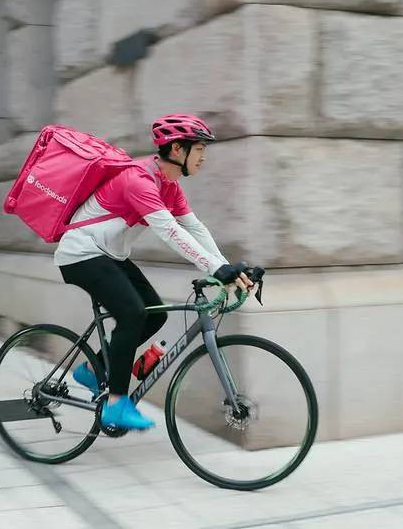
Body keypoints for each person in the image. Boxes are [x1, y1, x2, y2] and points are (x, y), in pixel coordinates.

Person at [55, 114, 254, 432]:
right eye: (200, 149)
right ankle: (116, 405)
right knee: (133, 314)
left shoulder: (169, 185)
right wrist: (217, 268)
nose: (204, 157)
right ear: (177, 149)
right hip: (81, 254)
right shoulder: (140, 180)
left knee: (154, 315)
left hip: (110, 255)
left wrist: (226, 267)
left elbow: (194, 228)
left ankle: (92, 373)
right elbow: (171, 232)